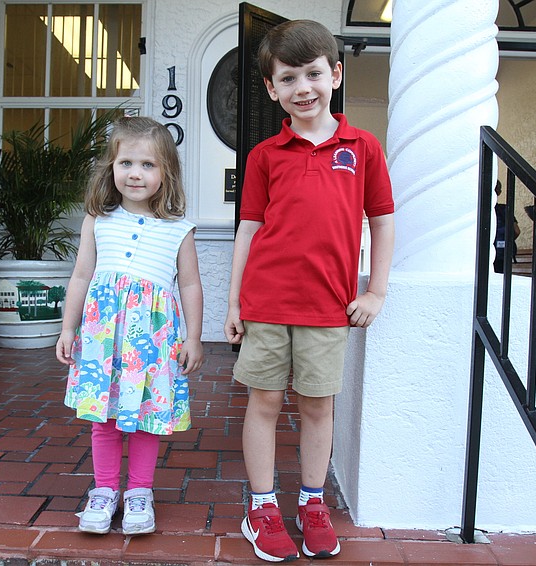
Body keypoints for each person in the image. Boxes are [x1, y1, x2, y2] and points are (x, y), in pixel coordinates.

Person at [224, 20, 395, 562]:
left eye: (314, 73)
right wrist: (233, 302)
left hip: (329, 305)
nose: (304, 87)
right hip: (267, 300)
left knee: (318, 405)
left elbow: (383, 220)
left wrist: (377, 292)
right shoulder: (264, 156)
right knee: (265, 400)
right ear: (273, 88)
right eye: (289, 77)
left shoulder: (363, 147)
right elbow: (249, 230)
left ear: (335, 75)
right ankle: (262, 506)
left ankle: (313, 502)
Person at [57, 116, 204, 536]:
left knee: (144, 418)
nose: (135, 173)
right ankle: (104, 490)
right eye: (126, 163)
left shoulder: (178, 229)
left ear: (166, 173)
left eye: (148, 165)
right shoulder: (98, 220)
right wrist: (68, 329)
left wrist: (193, 337)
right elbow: (81, 276)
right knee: (103, 418)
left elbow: (191, 284)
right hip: (104, 339)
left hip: (153, 342)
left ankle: (139, 492)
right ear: (112, 168)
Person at [493, 180, 520, 273]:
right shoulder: (504, 210)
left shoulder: (478, 211)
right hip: (502, 253)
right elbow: (517, 231)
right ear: (499, 192)